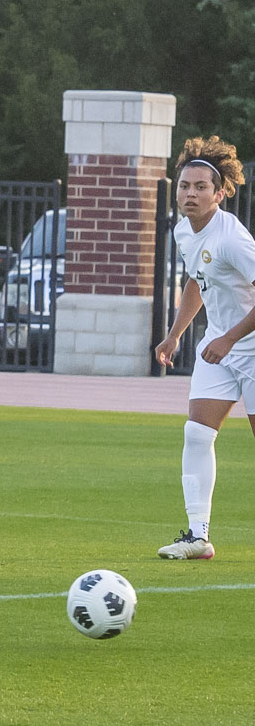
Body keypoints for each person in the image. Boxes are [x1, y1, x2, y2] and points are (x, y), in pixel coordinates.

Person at [154, 136, 254, 560]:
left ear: (221, 192)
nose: (190, 193)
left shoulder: (233, 239)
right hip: (220, 346)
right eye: (184, 186)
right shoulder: (183, 230)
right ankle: (198, 537)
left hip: (247, 346)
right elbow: (197, 280)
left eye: (200, 187)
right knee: (196, 434)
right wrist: (175, 333)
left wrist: (229, 338)